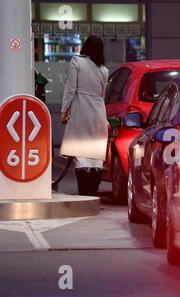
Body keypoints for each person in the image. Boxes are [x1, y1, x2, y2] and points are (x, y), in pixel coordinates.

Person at [60, 36, 109, 196]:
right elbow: (102, 94)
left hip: (81, 109)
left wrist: (64, 110)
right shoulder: (104, 70)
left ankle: (84, 192)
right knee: (96, 155)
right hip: (99, 112)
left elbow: (70, 88)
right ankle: (93, 192)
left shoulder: (76, 62)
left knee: (81, 152)